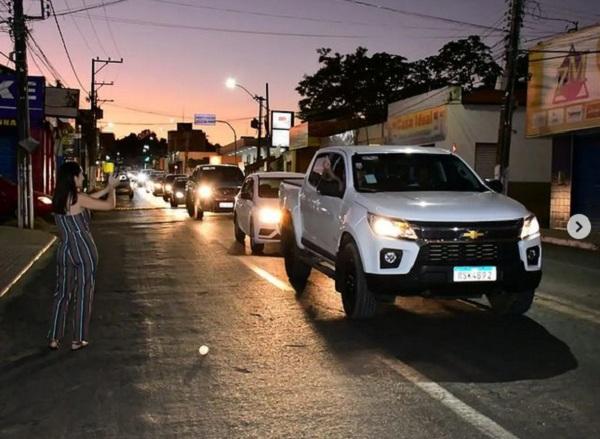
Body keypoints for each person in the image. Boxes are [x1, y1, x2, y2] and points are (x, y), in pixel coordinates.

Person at [48, 162, 118, 351]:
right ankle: (78, 338)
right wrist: (112, 190)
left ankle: (54, 337)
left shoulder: (60, 198)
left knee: (62, 293)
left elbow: (88, 199)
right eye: (80, 174)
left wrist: (105, 188)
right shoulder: (79, 199)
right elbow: (110, 205)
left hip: (64, 249)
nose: (83, 177)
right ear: (73, 177)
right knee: (84, 291)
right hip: (83, 248)